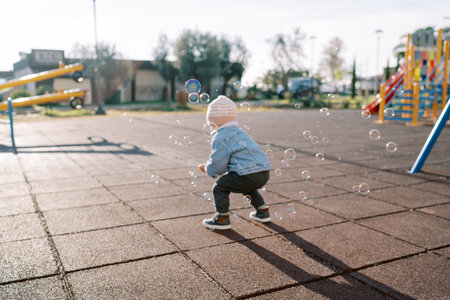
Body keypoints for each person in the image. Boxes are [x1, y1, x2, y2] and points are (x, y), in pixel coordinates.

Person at [198, 95, 271, 230]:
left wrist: (207, 169)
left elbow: (217, 164)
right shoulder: (240, 132)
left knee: (219, 187)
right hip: (264, 172)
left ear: (213, 123)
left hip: (247, 174)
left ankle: (222, 218)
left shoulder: (221, 136)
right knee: (248, 186)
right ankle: (262, 211)